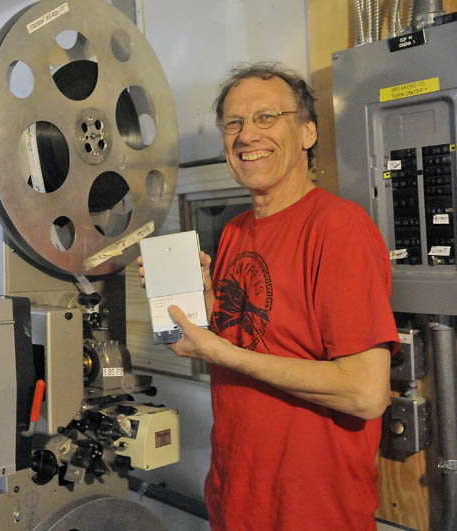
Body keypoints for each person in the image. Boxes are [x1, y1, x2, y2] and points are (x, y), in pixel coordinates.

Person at [138, 63, 399, 530]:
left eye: (266, 117)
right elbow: (256, 340)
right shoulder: (237, 230)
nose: (245, 135)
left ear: (307, 131)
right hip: (237, 500)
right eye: (233, 123)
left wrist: (222, 351)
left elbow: (366, 393)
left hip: (312, 512)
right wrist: (205, 309)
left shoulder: (339, 228)